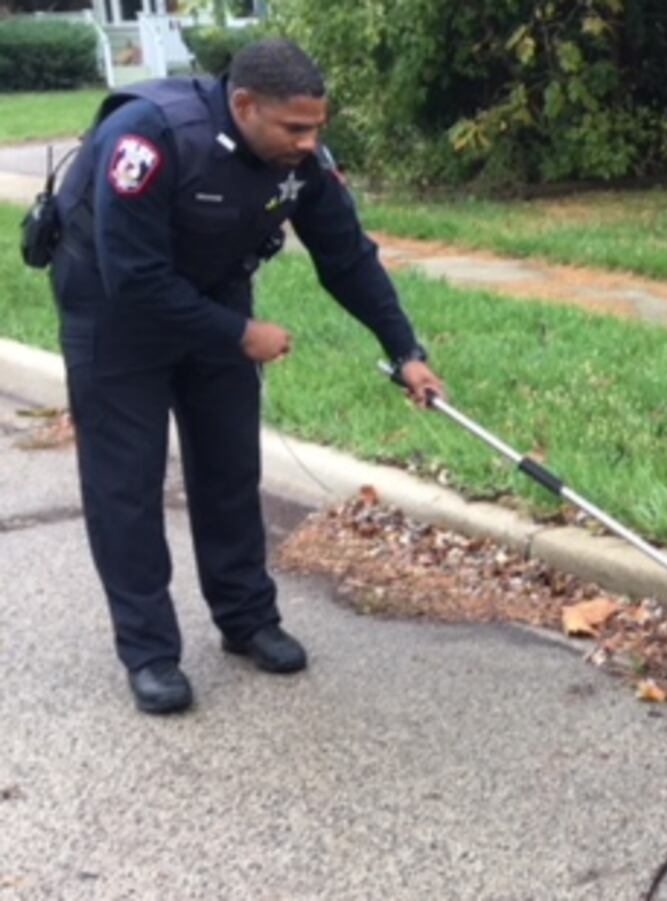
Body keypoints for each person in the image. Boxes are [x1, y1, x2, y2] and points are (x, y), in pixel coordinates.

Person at [46, 39, 445, 715]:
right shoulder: (149, 137)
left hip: (212, 295)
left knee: (230, 466)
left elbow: (347, 256)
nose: (310, 141)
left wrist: (404, 347)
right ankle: (149, 653)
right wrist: (240, 334)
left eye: (317, 126)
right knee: (127, 486)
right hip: (114, 310)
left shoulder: (300, 161)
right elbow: (134, 276)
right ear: (243, 105)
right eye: (296, 128)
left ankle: (246, 617)